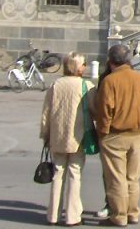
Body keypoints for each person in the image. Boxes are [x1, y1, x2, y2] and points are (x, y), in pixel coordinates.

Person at [94, 43, 140, 226]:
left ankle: (119, 215)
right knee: (133, 177)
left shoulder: (110, 81)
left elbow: (105, 109)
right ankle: (133, 212)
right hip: (137, 134)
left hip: (114, 134)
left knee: (116, 178)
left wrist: (103, 131)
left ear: (111, 61)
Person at [40, 52, 93, 227]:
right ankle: (72, 216)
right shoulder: (86, 86)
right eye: (83, 64)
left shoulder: (56, 85)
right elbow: (94, 110)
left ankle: (53, 215)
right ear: (78, 67)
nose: (85, 67)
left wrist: (45, 134)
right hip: (78, 136)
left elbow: (46, 112)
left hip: (57, 135)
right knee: (74, 175)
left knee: (58, 174)